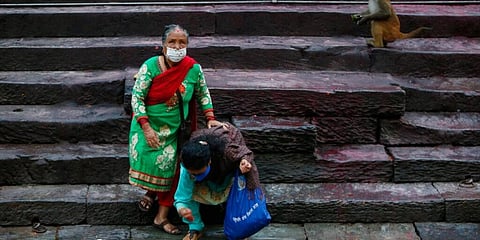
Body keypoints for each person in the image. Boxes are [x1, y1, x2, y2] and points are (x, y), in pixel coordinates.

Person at [128, 24, 222, 235]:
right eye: (172, 42)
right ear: (163, 45)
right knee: (156, 163)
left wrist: (211, 118)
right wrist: (146, 127)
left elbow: (202, 92)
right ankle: (152, 193)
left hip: (174, 131)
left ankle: (160, 216)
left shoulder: (192, 69)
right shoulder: (150, 66)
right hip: (147, 127)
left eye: (182, 43)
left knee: (171, 167)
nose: (177, 46)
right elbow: (137, 97)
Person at [174, 122, 261, 240]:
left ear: (209, 161)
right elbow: (182, 195)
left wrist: (244, 163)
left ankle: (240, 229)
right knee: (190, 187)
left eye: (198, 173)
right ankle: (195, 228)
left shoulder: (228, 152)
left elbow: (245, 153)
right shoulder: (188, 163)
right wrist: (182, 209)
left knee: (240, 188)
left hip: (228, 175)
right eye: (192, 173)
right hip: (209, 182)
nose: (194, 175)